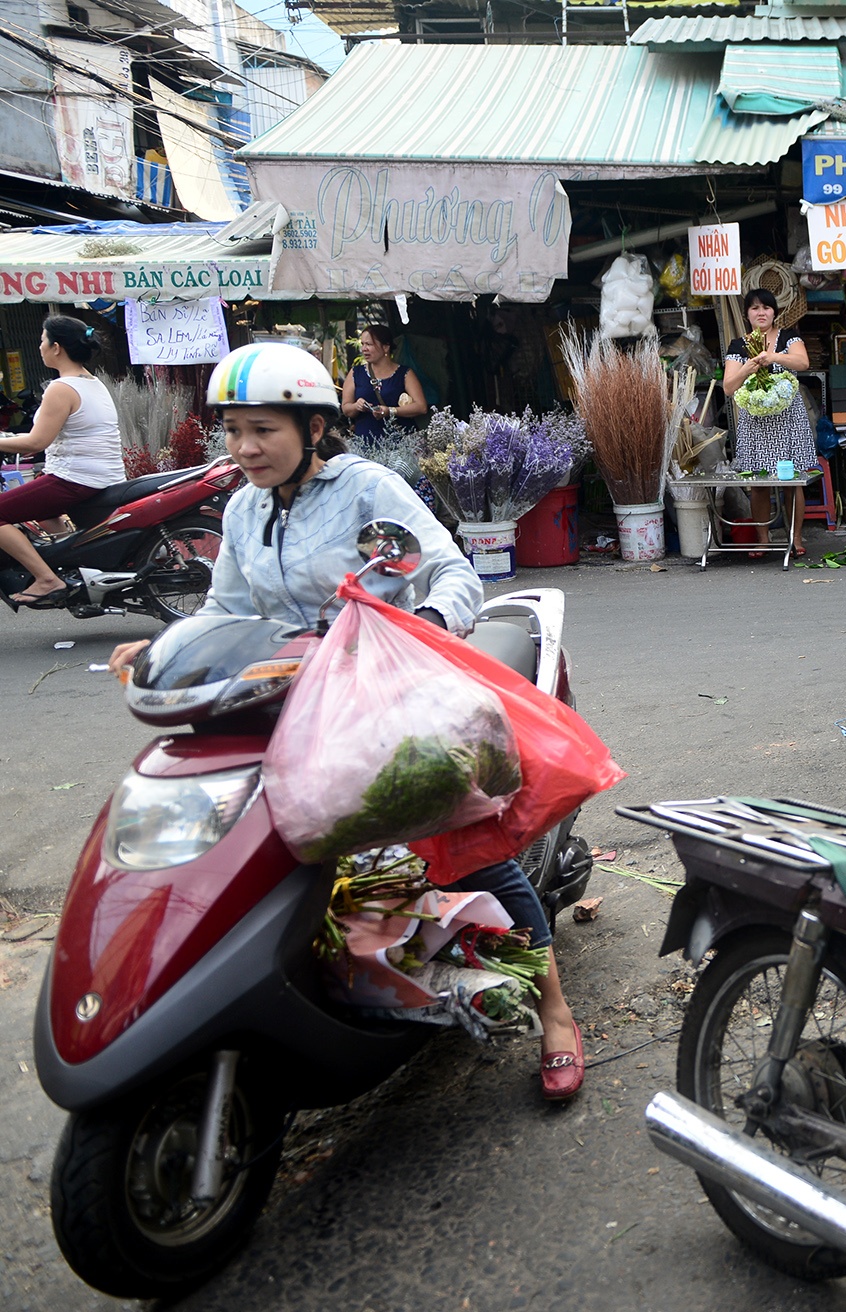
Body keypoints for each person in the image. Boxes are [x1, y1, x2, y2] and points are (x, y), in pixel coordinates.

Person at [110, 342, 586, 1101]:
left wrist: (415, 630)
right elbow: (225, 611)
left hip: (383, 703)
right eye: (233, 431)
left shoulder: (365, 493)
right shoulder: (242, 508)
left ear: (312, 426)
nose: (244, 448)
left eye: (262, 429)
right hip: (291, 712)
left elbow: (450, 572)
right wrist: (167, 646)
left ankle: (557, 1014)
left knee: (465, 845)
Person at [0, 316, 126, 607]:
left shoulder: (61, 388)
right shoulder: (92, 382)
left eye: (42, 341)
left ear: (56, 347)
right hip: (99, 476)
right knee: (44, 512)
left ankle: (47, 579)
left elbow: (35, 442)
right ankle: (79, 568)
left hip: (76, 480)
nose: (40, 347)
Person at [722, 288, 816, 557]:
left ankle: (795, 539)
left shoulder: (788, 338)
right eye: (754, 308)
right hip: (757, 424)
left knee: (793, 480)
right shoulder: (738, 346)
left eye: (766, 307)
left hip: (789, 420)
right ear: (747, 314)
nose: (761, 312)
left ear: (775, 312)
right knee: (760, 483)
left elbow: (803, 362)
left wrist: (773, 357)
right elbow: (729, 387)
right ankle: (763, 539)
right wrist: (748, 368)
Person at [341, 321, 429, 446]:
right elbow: (346, 408)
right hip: (366, 444)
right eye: (363, 344)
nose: (364, 349)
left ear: (386, 347)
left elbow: (421, 407)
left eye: (369, 344)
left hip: (401, 445)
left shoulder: (405, 373)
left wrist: (390, 411)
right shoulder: (356, 372)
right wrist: (357, 406)